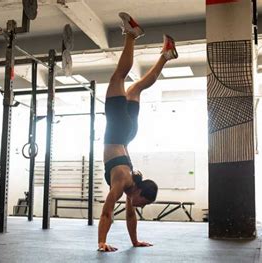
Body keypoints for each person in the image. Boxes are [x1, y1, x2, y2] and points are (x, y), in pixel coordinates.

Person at [98, 12, 178, 252]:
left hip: (129, 133)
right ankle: (132, 36)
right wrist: (101, 241)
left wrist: (134, 242)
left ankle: (166, 55)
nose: (140, 206)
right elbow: (107, 211)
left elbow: (130, 217)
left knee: (136, 87)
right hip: (119, 129)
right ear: (140, 191)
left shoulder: (130, 184)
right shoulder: (124, 180)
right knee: (119, 77)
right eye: (143, 202)